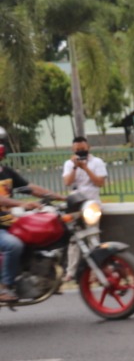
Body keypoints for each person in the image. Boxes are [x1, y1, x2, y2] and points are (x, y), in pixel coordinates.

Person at [0, 128, 64, 302]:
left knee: (37, 235)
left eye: (2, 142)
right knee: (13, 245)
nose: (1, 146)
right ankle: (5, 288)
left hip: (10, 223)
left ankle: (43, 279)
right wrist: (22, 204)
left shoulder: (6, 171)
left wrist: (58, 197)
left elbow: (30, 187)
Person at [61, 135, 108, 282]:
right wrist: (75, 167)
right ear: (73, 150)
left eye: (82, 150)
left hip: (91, 204)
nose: (80, 153)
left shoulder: (97, 162)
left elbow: (100, 183)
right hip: (75, 205)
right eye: (77, 150)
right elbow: (67, 182)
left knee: (93, 238)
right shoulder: (69, 164)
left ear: (88, 148)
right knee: (74, 240)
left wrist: (86, 168)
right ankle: (70, 272)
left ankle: (97, 272)